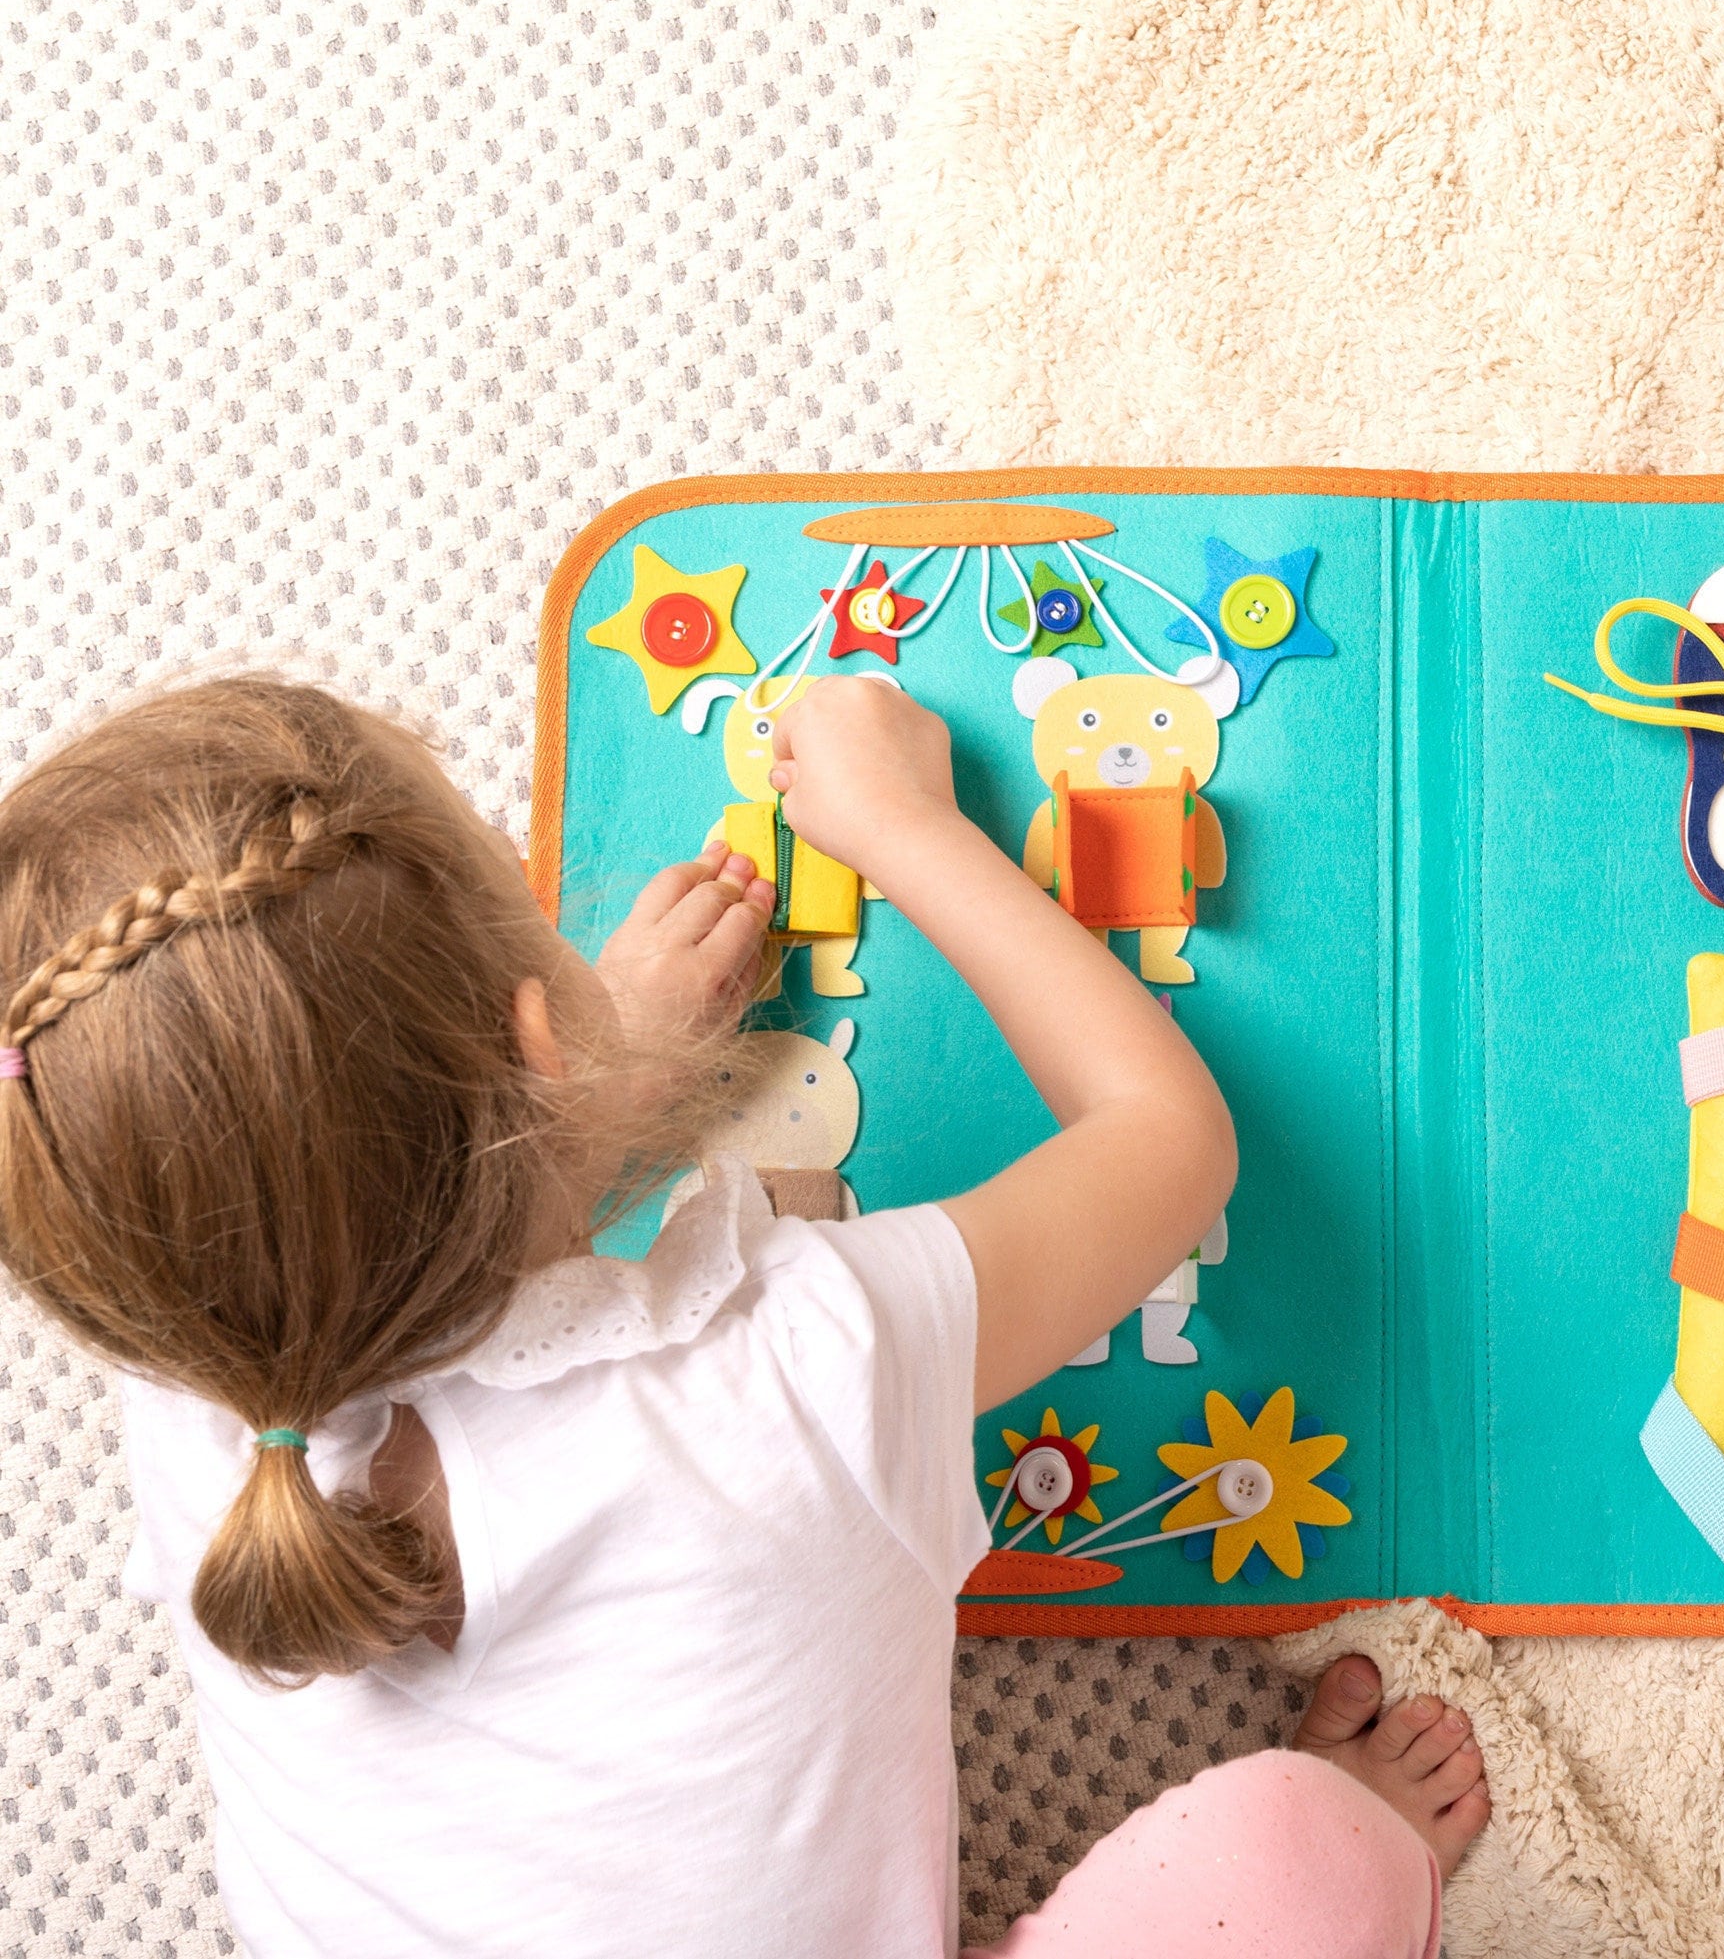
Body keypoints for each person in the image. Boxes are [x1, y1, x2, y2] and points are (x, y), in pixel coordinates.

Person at [0, 675, 1487, 1958]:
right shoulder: (794, 1365)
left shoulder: (195, 1384)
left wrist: (594, 1082)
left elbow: (344, 1227)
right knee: (1296, 1849)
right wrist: (911, 830)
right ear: (532, 1041)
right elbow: (1167, 1143)